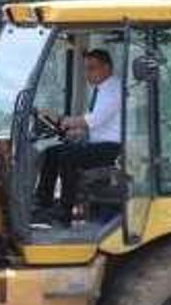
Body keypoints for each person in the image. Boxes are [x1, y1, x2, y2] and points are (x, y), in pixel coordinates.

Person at [34, 48, 121, 220]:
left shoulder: (114, 88)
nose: (87, 74)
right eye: (86, 69)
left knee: (69, 155)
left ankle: (65, 209)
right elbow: (100, 124)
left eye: (92, 68)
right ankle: (43, 203)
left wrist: (63, 120)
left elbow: (95, 119)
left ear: (106, 68)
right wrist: (76, 133)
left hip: (113, 148)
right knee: (52, 152)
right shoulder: (101, 89)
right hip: (99, 143)